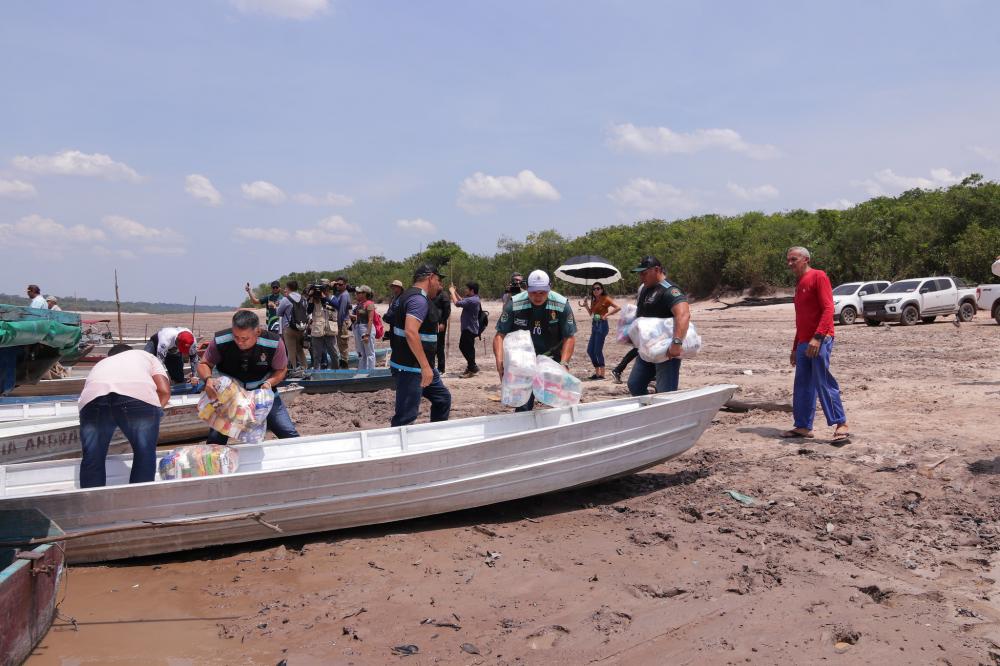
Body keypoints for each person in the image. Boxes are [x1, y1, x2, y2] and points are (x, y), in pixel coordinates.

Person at [196, 309, 299, 443]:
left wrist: (269, 383)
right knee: (216, 439)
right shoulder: (221, 340)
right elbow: (204, 364)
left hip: (262, 394)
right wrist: (208, 379)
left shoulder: (274, 342)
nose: (239, 342)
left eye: (245, 338)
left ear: (257, 331)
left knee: (287, 432)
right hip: (230, 396)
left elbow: (281, 370)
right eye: (236, 337)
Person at [77, 345, 171, 488]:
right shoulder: (146, 355)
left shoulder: (100, 364)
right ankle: (138, 503)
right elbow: (164, 391)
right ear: (131, 350)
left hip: (92, 400)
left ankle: (92, 505)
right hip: (136, 395)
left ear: (110, 356)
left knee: (92, 457)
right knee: (144, 454)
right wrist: (155, 413)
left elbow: (86, 395)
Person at [782, 246, 850, 442]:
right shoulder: (799, 283)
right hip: (804, 341)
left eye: (793, 259)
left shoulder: (818, 276)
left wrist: (818, 337)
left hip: (820, 339)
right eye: (788, 260)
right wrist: (795, 347)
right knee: (802, 384)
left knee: (823, 381)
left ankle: (841, 423)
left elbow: (829, 308)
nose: (790, 263)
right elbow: (801, 319)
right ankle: (803, 426)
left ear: (805, 259)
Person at [493, 269, 576, 411]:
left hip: (552, 360)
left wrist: (564, 363)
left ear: (549, 288)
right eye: (533, 292)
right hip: (522, 363)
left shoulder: (561, 305)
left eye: (542, 292)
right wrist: (500, 362)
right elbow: (499, 335)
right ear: (527, 288)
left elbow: (569, 336)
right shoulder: (515, 304)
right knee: (523, 406)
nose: (538, 297)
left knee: (556, 404)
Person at [388, 264, 452, 427]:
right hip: (412, 368)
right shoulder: (418, 299)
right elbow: (411, 332)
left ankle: (434, 436)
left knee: (442, 399)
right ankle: (399, 449)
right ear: (430, 278)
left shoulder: (407, 296)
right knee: (405, 417)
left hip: (421, 367)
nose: (440, 285)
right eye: (438, 280)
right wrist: (424, 367)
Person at [627, 256, 690, 396]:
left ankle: (667, 415)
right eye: (639, 274)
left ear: (656, 270)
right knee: (635, 384)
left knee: (665, 393)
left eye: (644, 273)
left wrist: (677, 342)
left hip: (666, 351)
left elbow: (683, 314)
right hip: (646, 350)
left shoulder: (670, 290)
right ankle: (650, 412)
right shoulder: (644, 289)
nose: (641, 277)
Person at [579, 282, 620, 380]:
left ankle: (602, 374)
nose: (596, 290)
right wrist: (585, 306)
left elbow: (618, 307)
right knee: (590, 350)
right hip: (595, 325)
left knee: (597, 350)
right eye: (594, 289)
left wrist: (607, 315)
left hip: (602, 325)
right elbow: (591, 314)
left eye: (598, 288)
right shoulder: (593, 300)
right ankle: (597, 373)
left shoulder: (606, 298)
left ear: (602, 289)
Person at [449, 281, 482, 377]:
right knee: (469, 348)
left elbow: (457, 303)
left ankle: (473, 367)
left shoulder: (472, 300)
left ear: (472, 290)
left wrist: (451, 292)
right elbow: (462, 300)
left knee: (463, 347)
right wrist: (455, 292)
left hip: (469, 328)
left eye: (467, 288)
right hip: (469, 328)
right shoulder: (473, 299)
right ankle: (471, 367)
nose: (465, 290)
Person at [276, 280, 307, 375]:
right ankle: (305, 368)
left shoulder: (286, 299)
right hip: (301, 328)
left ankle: (293, 371)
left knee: (291, 351)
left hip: (289, 328)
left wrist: (277, 306)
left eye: (285, 288)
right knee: (299, 349)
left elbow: (279, 313)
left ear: (288, 288)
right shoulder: (303, 299)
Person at [307, 282, 340, 370]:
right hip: (317, 331)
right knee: (317, 355)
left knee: (334, 354)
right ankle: (317, 373)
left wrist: (325, 298)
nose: (322, 291)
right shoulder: (313, 299)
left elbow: (337, 306)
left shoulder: (332, 298)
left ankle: (336, 371)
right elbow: (308, 311)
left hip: (330, 330)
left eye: (324, 289)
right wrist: (310, 297)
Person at [351, 285, 377, 371]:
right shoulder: (360, 304)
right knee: (361, 352)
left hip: (365, 328)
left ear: (365, 294)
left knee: (369, 352)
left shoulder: (369, 304)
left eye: (359, 293)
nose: (357, 294)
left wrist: (367, 334)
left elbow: (370, 320)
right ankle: (362, 371)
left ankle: (371, 372)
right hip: (358, 327)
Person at [332, 276, 352, 368]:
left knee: (343, 345)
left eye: (340, 284)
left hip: (342, 322)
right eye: (337, 284)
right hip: (340, 322)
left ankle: (345, 365)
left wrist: (339, 325)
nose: (338, 286)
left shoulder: (344, 295)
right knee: (340, 344)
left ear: (345, 285)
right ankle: (343, 363)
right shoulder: (339, 294)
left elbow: (342, 311)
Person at [432, 286, 451, 373]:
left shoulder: (444, 295)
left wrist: (443, 323)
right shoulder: (433, 294)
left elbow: (447, 311)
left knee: (440, 346)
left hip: (440, 324)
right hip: (432, 323)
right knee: (433, 345)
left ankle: (441, 368)